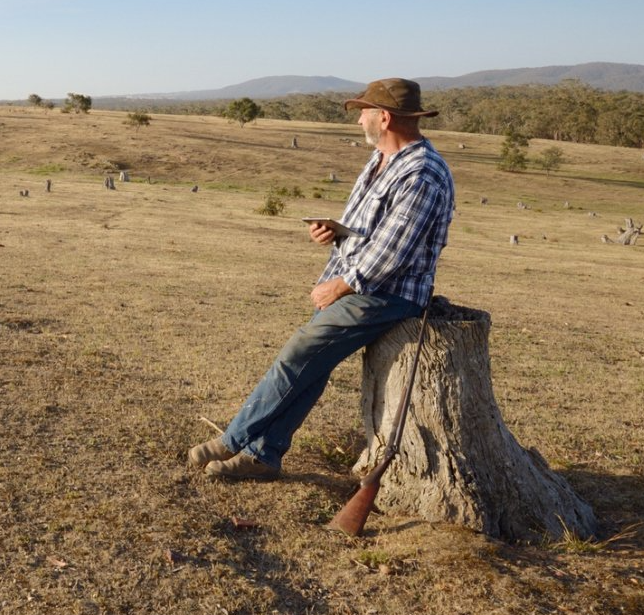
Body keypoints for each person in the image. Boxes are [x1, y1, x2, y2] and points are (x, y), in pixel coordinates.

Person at [188, 78, 455, 482]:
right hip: (365, 284)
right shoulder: (383, 159)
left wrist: (341, 285)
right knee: (312, 364)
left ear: (384, 118)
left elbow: (392, 255)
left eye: (364, 112)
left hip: (387, 293)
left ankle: (233, 440)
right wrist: (335, 231)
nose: (360, 120)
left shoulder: (420, 174)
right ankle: (264, 455)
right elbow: (373, 232)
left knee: (299, 353)